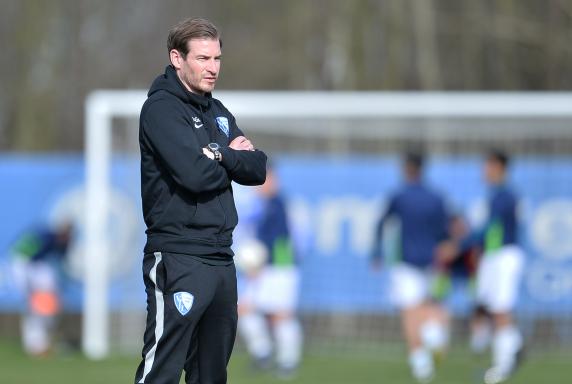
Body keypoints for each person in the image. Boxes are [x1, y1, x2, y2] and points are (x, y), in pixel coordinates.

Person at [135, 18, 267, 384]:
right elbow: (193, 175)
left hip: (221, 258)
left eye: (217, 58)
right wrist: (229, 156)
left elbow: (257, 168)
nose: (213, 68)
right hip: (179, 257)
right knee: (161, 368)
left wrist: (218, 154)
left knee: (211, 375)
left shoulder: (217, 111)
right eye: (203, 58)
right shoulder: (161, 110)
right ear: (177, 58)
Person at [371, 152, 450, 383]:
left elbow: (382, 222)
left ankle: (420, 361)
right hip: (432, 261)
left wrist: (376, 251)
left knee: (409, 311)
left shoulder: (400, 196)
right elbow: (445, 232)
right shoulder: (436, 198)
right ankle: (433, 336)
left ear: (406, 169)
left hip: (406, 261)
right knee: (427, 304)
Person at [235, 166, 303, 380]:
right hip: (266, 266)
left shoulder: (278, 204)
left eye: (263, 180)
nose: (258, 185)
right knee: (243, 307)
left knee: (280, 314)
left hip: (280, 267)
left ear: (273, 180)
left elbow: (277, 240)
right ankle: (263, 352)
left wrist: (259, 263)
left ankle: (288, 360)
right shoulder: (263, 206)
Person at [468, 150, 525, 384]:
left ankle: (502, 368)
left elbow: (490, 228)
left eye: (488, 166)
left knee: (501, 310)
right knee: (487, 305)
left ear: (499, 167)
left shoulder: (504, 196)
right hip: (493, 256)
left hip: (504, 256)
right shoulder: (496, 195)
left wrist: (461, 243)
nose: (484, 170)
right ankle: (514, 347)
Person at [10, 221, 73, 357]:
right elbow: (23, 256)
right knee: (32, 309)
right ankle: (36, 344)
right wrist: (28, 287)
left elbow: (60, 259)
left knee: (49, 306)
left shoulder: (58, 245)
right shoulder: (46, 237)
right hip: (25, 267)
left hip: (35, 268)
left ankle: (44, 343)